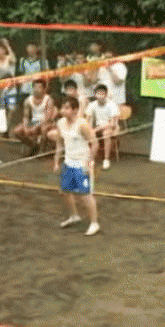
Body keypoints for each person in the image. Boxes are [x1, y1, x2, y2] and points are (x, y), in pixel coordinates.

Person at [53, 96, 100, 236]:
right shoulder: (60, 123)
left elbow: (95, 143)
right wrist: (56, 161)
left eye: (67, 108)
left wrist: (88, 162)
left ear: (75, 110)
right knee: (64, 191)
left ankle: (94, 222)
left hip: (82, 163)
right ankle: (74, 216)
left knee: (85, 195)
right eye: (62, 107)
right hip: (68, 162)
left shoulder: (82, 124)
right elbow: (60, 143)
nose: (63, 111)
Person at [12, 79, 56, 156]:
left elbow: (48, 117)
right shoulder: (28, 100)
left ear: (44, 89)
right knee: (16, 131)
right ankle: (32, 145)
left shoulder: (48, 99)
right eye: (35, 87)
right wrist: (25, 127)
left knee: (44, 129)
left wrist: (35, 127)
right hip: (33, 122)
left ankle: (42, 150)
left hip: (45, 122)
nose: (36, 89)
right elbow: (26, 116)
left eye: (39, 87)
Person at [85, 84, 119, 170]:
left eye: (102, 93)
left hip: (110, 127)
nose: (100, 95)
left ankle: (106, 160)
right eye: (98, 93)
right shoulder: (92, 105)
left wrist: (96, 129)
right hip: (96, 127)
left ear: (106, 94)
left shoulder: (112, 105)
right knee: (89, 134)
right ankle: (90, 159)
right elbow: (87, 120)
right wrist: (89, 129)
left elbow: (112, 124)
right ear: (95, 94)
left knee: (106, 133)